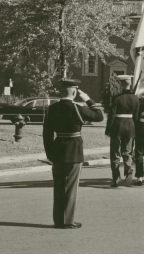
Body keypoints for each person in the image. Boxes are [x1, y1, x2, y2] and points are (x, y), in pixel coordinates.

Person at [42, 79, 104, 229]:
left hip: (57, 149)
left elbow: (47, 134)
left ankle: (59, 219)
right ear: (75, 92)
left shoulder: (52, 109)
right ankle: (67, 220)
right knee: (70, 187)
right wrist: (88, 99)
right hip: (74, 151)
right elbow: (99, 116)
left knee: (58, 187)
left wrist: (50, 153)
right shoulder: (78, 108)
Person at [106, 74, 138, 187]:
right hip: (130, 126)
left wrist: (108, 129)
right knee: (127, 152)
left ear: (121, 84)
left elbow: (112, 115)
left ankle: (116, 178)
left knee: (115, 153)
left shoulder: (116, 97)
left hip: (117, 126)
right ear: (129, 84)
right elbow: (137, 116)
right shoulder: (135, 98)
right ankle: (129, 176)